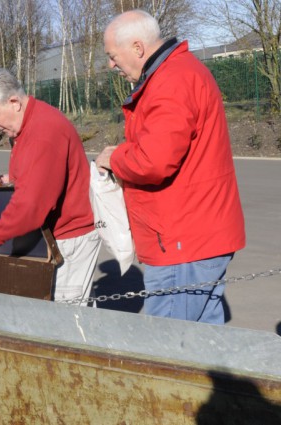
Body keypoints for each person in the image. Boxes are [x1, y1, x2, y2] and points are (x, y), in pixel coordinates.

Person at [95, 10, 246, 324]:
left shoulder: (172, 81)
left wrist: (115, 158)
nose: (111, 65)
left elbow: (154, 160)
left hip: (182, 241)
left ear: (137, 48)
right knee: (202, 341)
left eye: (112, 55)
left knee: (169, 347)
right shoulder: (176, 74)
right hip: (193, 236)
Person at [0, 69, 101, 305]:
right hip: (53, 236)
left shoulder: (43, 131)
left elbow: (31, 203)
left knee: (64, 320)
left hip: (68, 238)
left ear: (14, 103)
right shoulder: (26, 127)